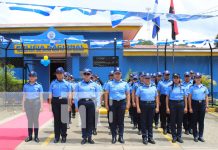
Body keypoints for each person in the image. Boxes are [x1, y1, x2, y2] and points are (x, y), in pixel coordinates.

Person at [74, 68, 101, 144]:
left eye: (88, 74)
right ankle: (84, 137)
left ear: (91, 75)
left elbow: (98, 96)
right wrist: (76, 106)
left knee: (90, 121)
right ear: (83, 75)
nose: (86, 75)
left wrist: (98, 106)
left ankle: (90, 137)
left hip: (91, 103)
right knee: (83, 121)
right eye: (85, 74)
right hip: (82, 103)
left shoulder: (95, 85)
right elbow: (75, 96)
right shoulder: (78, 84)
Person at [105, 67, 130, 144]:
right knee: (113, 121)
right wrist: (106, 104)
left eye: (118, 73)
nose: (117, 75)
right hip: (112, 103)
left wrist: (128, 103)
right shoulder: (109, 83)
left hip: (122, 103)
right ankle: (114, 137)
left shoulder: (125, 83)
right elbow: (106, 94)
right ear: (114, 74)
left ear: (121, 74)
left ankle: (121, 137)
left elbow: (128, 94)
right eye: (116, 73)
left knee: (121, 121)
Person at [48, 67, 72, 143]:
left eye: (60, 73)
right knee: (56, 120)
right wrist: (49, 105)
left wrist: (69, 105)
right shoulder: (53, 83)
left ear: (63, 74)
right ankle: (57, 137)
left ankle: (64, 136)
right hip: (55, 102)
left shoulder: (67, 84)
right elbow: (50, 94)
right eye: (57, 73)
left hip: (64, 101)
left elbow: (70, 95)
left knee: (64, 120)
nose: (59, 75)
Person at [136, 73, 159, 145]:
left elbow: (156, 98)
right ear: (144, 79)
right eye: (146, 78)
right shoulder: (140, 88)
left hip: (152, 105)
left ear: (150, 79)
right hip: (143, 105)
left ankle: (150, 137)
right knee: (143, 122)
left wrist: (157, 106)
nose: (147, 80)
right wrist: (138, 107)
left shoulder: (154, 87)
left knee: (150, 122)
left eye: (149, 78)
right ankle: (144, 138)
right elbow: (137, 97)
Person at [166, 73, 188, 143]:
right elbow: (167, 98)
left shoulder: (183, 87)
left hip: (181, 104)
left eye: (177, 78)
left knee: (179, 121)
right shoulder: (170, 87)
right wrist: (167, 107)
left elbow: (185, 98)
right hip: (172, 104)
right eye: (174, 78)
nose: (176, 79)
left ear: (179, 79)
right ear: (173, 79)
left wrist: (186, 107)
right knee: (173, 121)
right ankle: (174, 137)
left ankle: (179, 136)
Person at [22, 71, 43, 143]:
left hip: (36, 103)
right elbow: (24, 96)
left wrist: (42, 106)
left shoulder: (39, 86)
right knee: (30, 120)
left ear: (36, 77)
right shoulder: (25, 86)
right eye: (30, 76)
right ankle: (30, 136)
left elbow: (41, 96)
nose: (32, 77)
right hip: (28, 103)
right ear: (29, 77)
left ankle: (36, 137)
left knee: (35, 120)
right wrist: (23, 106)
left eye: (33, 76)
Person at [188, 72, 209, 142]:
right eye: (196, 78)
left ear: (201, 78)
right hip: (194, 104)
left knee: (201, 121)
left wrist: (207, 106)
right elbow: (189, 98)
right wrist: (190, 107)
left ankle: (201, 136)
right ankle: (195, 135)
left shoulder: (204, 87)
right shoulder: (192, 87)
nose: (198, 79)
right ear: (195, 79)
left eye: (199, 77)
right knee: (194, 121)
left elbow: (206, 97)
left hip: (202, 104)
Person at [157, 70, 172, 135]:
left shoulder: (172, 82)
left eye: (168, 74)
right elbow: (158, 92)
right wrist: (159, 101)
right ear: (163, 75)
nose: (167, 76)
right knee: (163, 114)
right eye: (166, 74)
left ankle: (169, 128)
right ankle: (164, 128)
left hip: (170, 98)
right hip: (162, 98)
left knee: (170, 114)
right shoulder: (160, 83)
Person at [103, 71, 114, 135]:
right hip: (109, 100)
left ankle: (117, 128)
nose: (111, 76)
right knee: (110, 114)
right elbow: (105, 93)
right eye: (110, 75)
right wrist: (105, 102)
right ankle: (111, 127)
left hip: (115, 100)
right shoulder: (107, 83)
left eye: (112, 75)